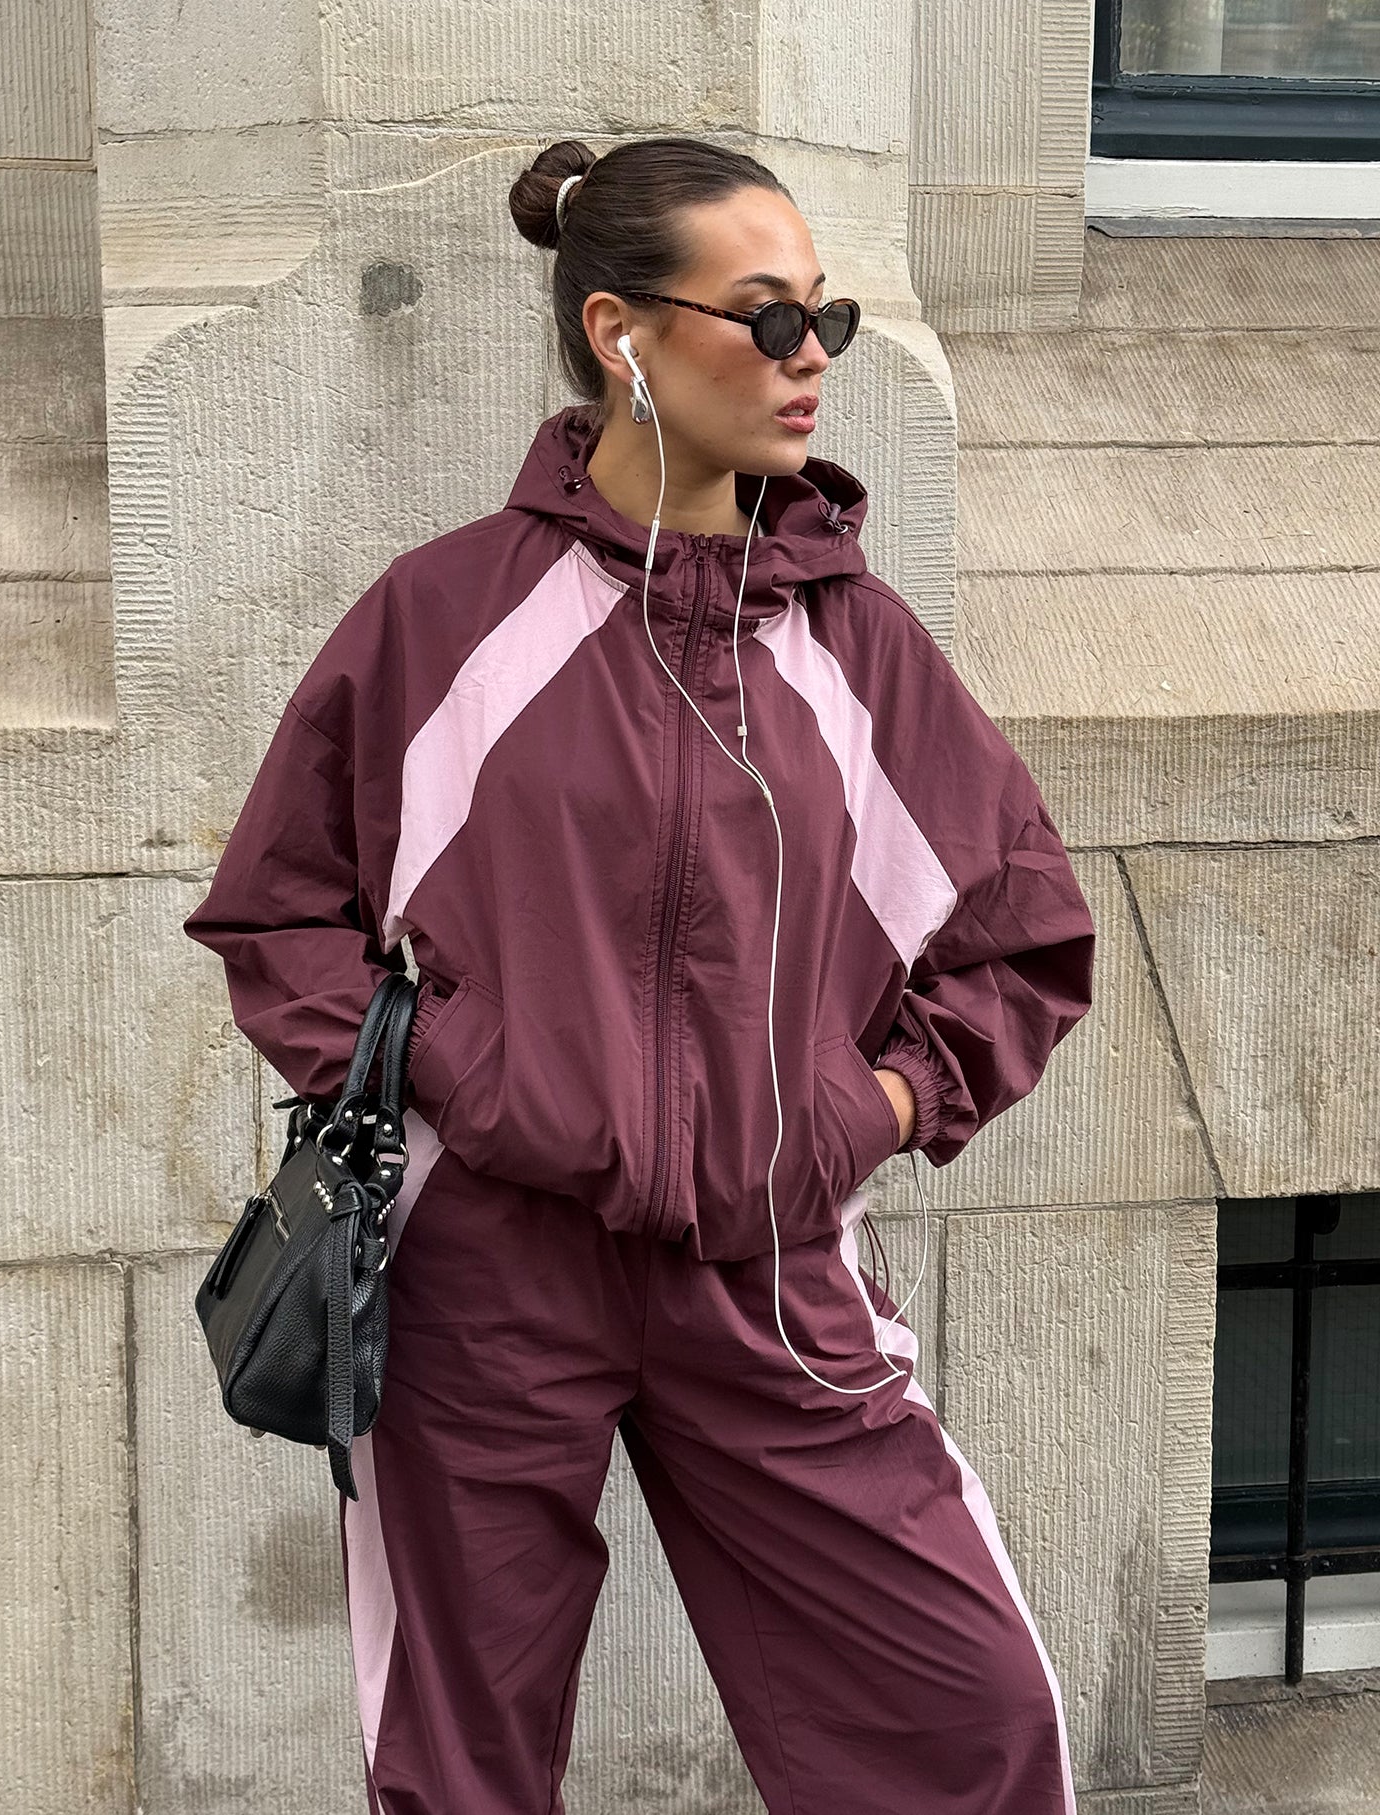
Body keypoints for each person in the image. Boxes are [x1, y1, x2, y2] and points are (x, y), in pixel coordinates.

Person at [182, 134, 1096, 1815]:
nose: (813, 355)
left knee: (967, 1718)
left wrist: (861, 1109)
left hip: (770, 1270)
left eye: (824, 315)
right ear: (623, 335)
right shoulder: (446, 623)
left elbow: (1020, 935)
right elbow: (279, 920)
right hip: (480, 1272)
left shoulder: (853, 646)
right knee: (460, 1763)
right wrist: (477, 1082)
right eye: (766, 319)